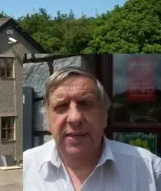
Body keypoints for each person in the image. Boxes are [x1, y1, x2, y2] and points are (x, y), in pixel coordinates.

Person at [23, 66, 161, 191]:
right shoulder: (27, 167)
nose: (74, 118)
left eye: (85, 104)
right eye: (61, 106)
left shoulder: (150, 169)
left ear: (104, 115)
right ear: (47, 120)